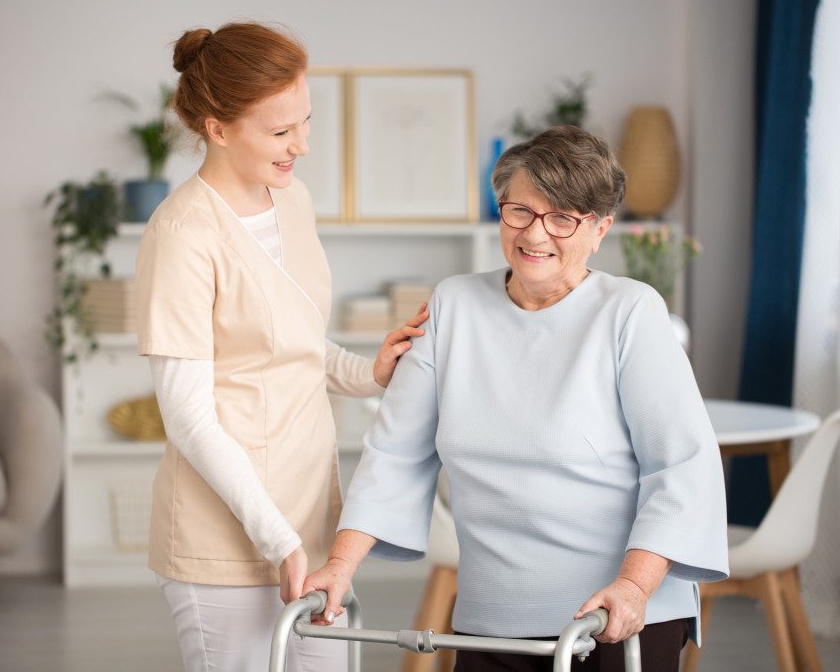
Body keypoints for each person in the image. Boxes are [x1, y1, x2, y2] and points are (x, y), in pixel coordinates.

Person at [304, 126, 729, 671]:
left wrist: (633, 587)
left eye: (563, 218)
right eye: (521, 211)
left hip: (616, 616)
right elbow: (395, 453)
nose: (536, 234)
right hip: (494, 617)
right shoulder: (454, 305)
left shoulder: (629, 312)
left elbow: (682, 467)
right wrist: (340, 566)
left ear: (599, 230)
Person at [134, 22, 427, 671]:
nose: (303, 143)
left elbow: (293, 341)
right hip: (228, 539)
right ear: (217, 127)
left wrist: (367, 370)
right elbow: (187, 416)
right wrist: (277, 539)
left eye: (306, 121)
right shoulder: (182, 234)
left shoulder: (293, 202)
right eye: (281, 130)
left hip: (311, 517)